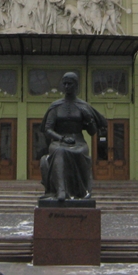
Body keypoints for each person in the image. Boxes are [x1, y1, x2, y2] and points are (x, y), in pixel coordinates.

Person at [39, 72, 107, 200]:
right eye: (64, 84)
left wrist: (89, 119)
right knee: (59, 151)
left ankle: (84, 190)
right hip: (59, 141)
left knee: (82, 153)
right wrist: (61, 138)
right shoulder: (56, 106)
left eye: (69, 84)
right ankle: (61, 191)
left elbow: (92, 132)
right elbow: (48, 129)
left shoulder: (83, 106)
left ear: (75, 85)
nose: (66, 86)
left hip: (78, 142)